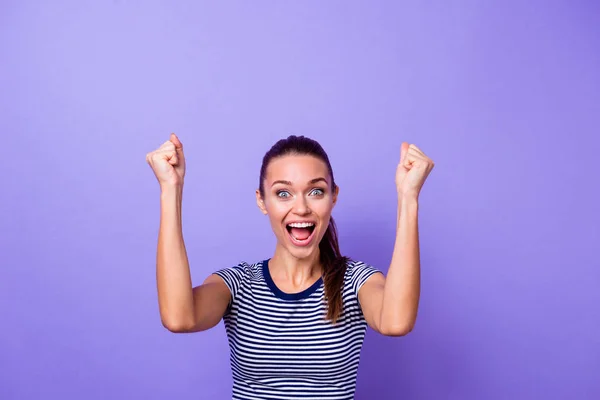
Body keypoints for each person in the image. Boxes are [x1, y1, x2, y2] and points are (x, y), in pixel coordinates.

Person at [145, 133, 434, 399]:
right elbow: (179, 318)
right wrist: (171, 189)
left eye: (316, 192)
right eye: (283, 193)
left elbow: (396, 322)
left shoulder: (355, 281)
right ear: (262, 201)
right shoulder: (238, 284)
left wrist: (408, 198)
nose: (301, 208)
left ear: (333, 196)